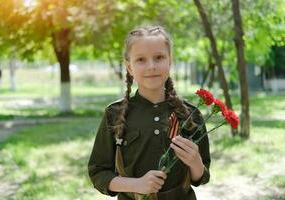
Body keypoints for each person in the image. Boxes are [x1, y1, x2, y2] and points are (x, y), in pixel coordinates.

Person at [88, 25, 210, 200]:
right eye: (141, 60)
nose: (151, 66)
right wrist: (136, 185)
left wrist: (195, 162)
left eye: (159, 57)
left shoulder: (190, 114)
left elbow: (201, 177)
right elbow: (98, 172)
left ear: (170, 60)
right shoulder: (114, 114)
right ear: (129, 67)